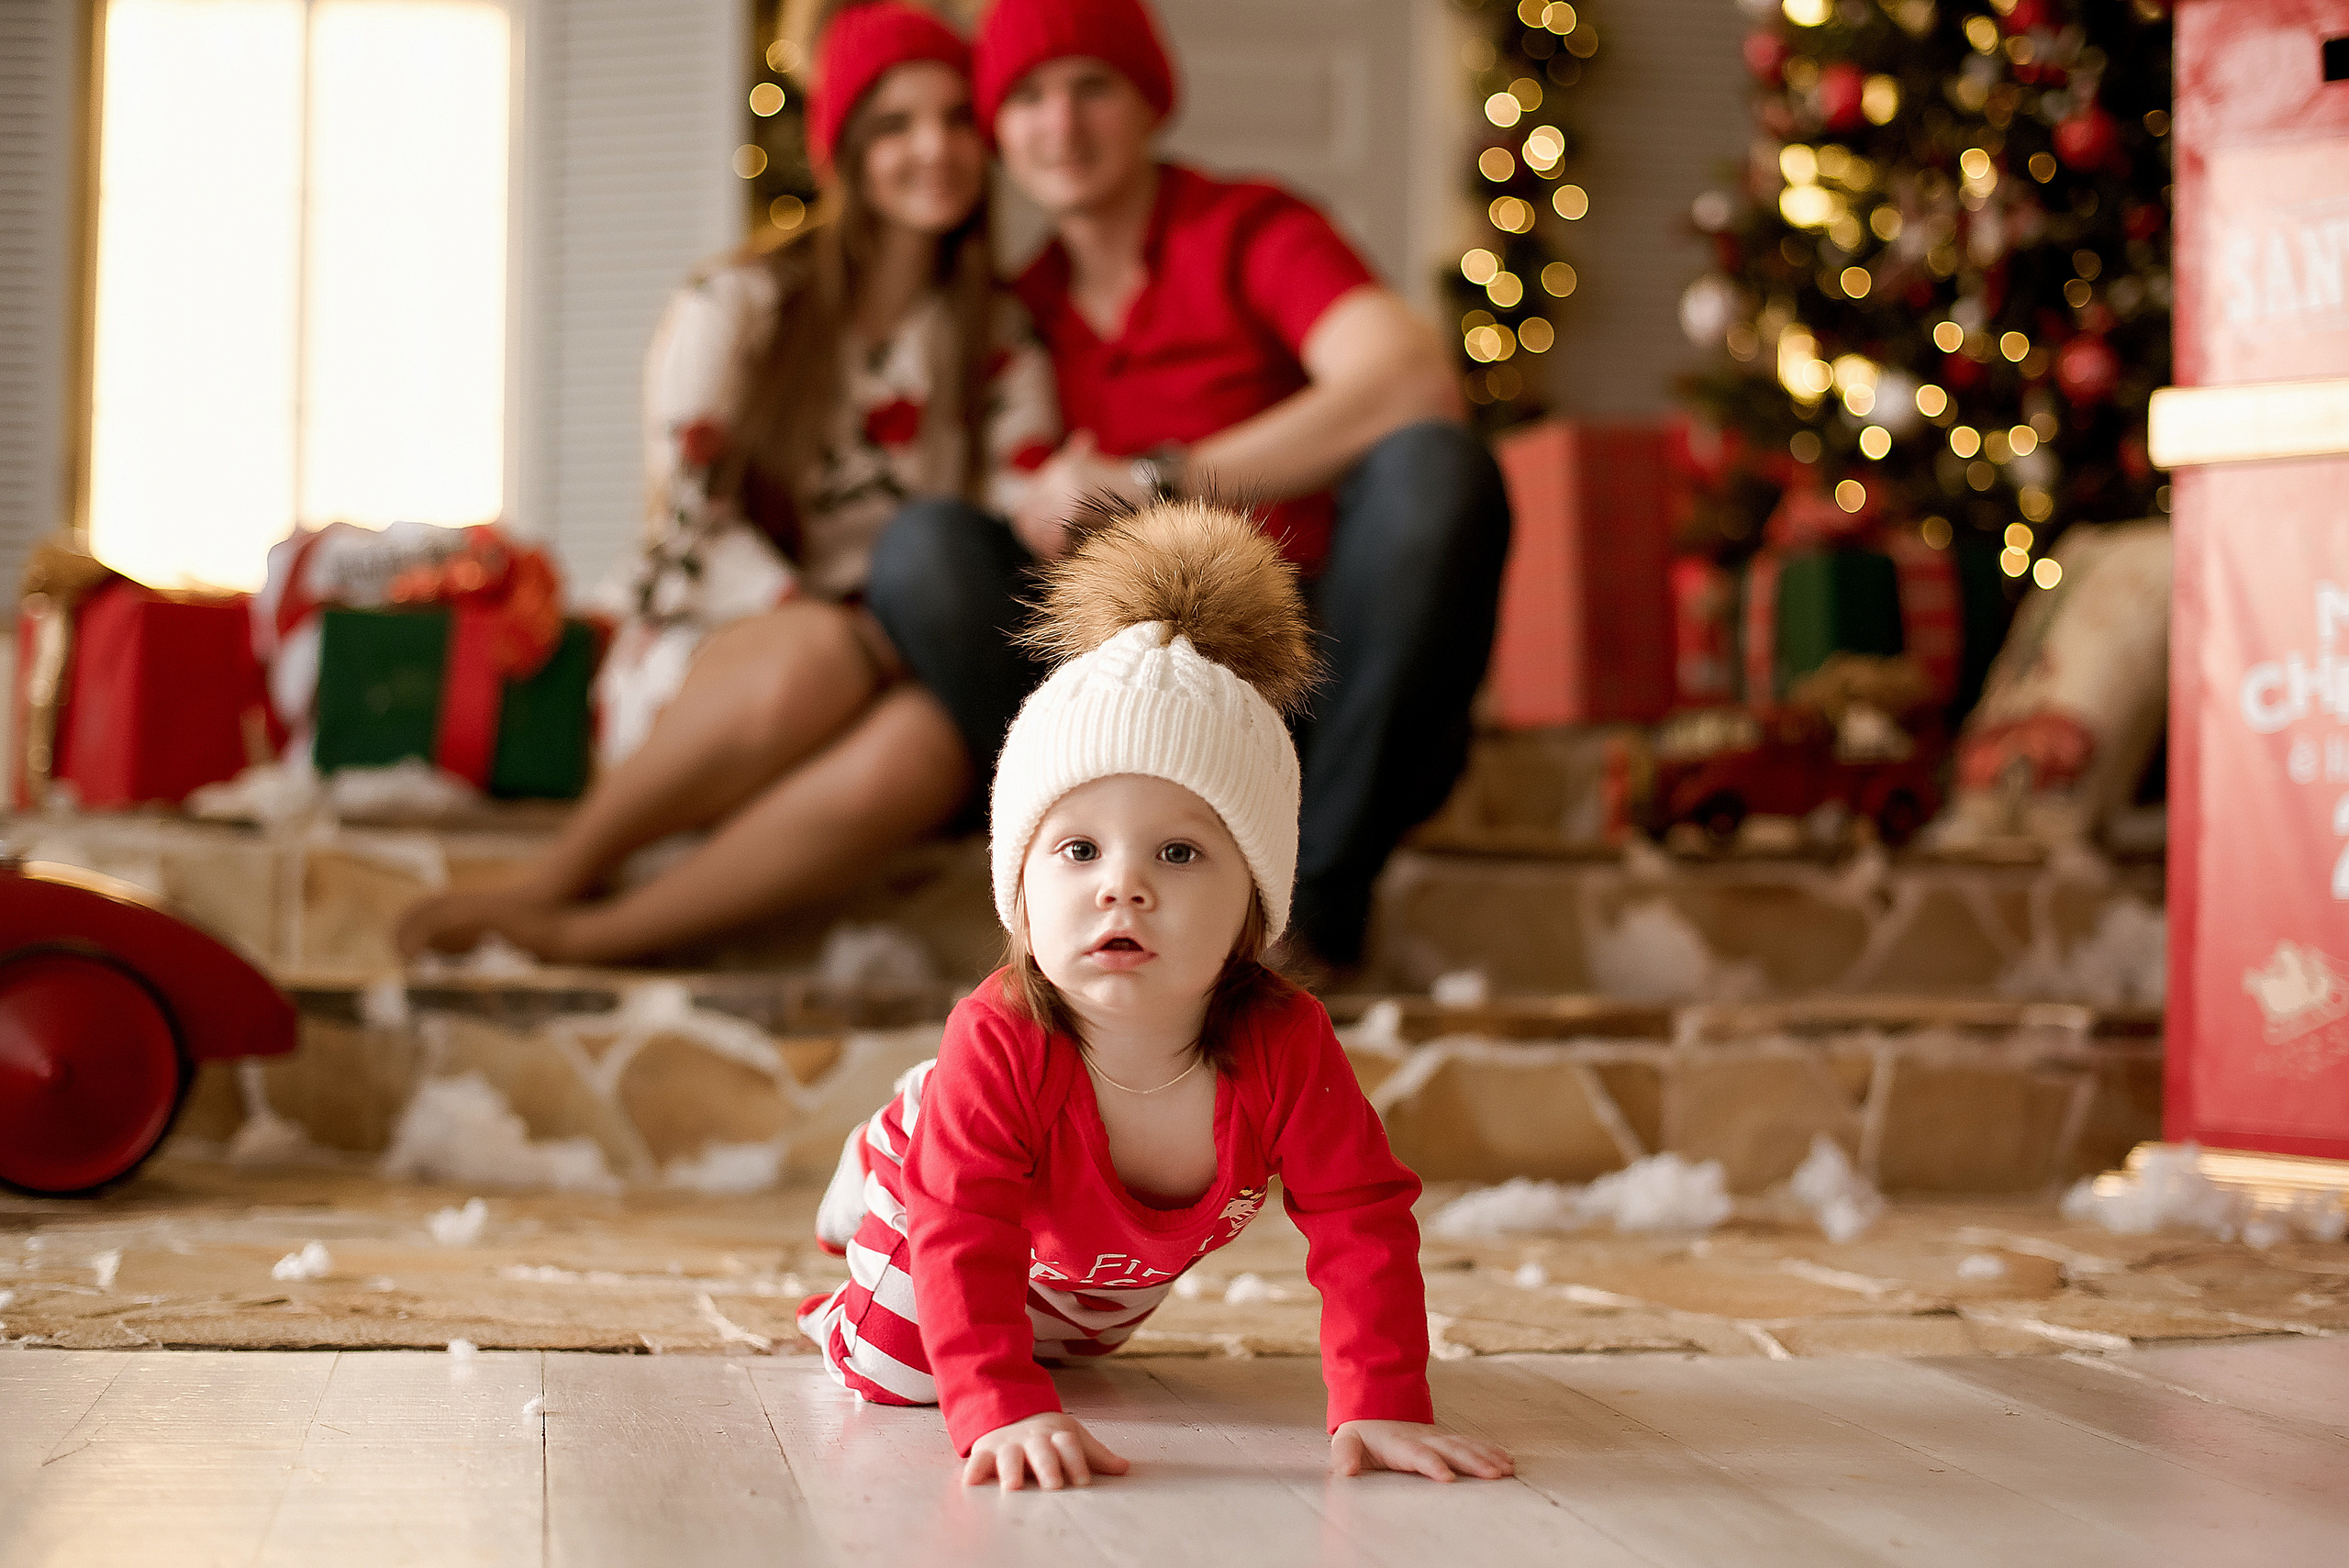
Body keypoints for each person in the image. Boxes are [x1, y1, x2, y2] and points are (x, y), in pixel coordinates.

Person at [797, 502, 1516, 1490]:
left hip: (1091, 1272)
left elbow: (1363, 1219)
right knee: (897, 1369)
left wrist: (1382, 1399)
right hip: (953, 1186)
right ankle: (880, 1156)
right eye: (1079, 848)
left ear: (1253, 899)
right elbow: (963, 1232)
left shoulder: (1283, 1042)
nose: (1120, 885)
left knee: (1074, 1347)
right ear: (1022, 883)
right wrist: (999, 1410)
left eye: (1178, 851)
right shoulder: (1001, 1033)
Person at [863, 0, 1511, 977]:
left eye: (1093, 87)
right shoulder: (1011, 310)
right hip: (1134, 706)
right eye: (1027, 97)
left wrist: (1153, 480)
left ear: (1149, 101)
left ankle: (1308, 926)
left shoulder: (1248, 228)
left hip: (1321, 685)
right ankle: (1068, 875)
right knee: (924, 550)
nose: (1061, 124)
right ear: (997, 129)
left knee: (1434, 466)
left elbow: (1411, 380)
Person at [396, 2, 1055, 963]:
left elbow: (1005, 522)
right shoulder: (738, 305)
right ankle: (557, 873)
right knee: (818, 654)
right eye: (897, 124)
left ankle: (602, 933)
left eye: (958, 119)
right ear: (846, 144)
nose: (937, 148)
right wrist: (831, 622)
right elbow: (690, 522)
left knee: (926, 751)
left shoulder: (1001, 341)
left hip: (905, 658)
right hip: (740, 636)